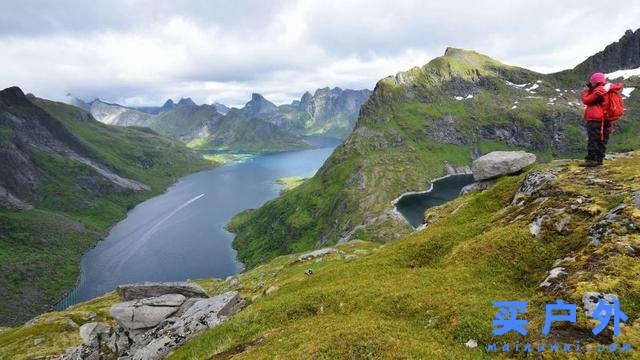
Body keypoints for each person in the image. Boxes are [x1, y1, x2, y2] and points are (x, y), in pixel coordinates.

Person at [580, 72, 623, 167]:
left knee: (593, 139)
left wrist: (587, 92)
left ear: (595, 82)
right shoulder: (609, 90)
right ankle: (599, 159)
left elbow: (586, 100)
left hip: (595, 119)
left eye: (591, 82)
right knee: (603, 139)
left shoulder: (598, 90)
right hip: (606, 119)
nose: (590, 83)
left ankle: (591, 160)